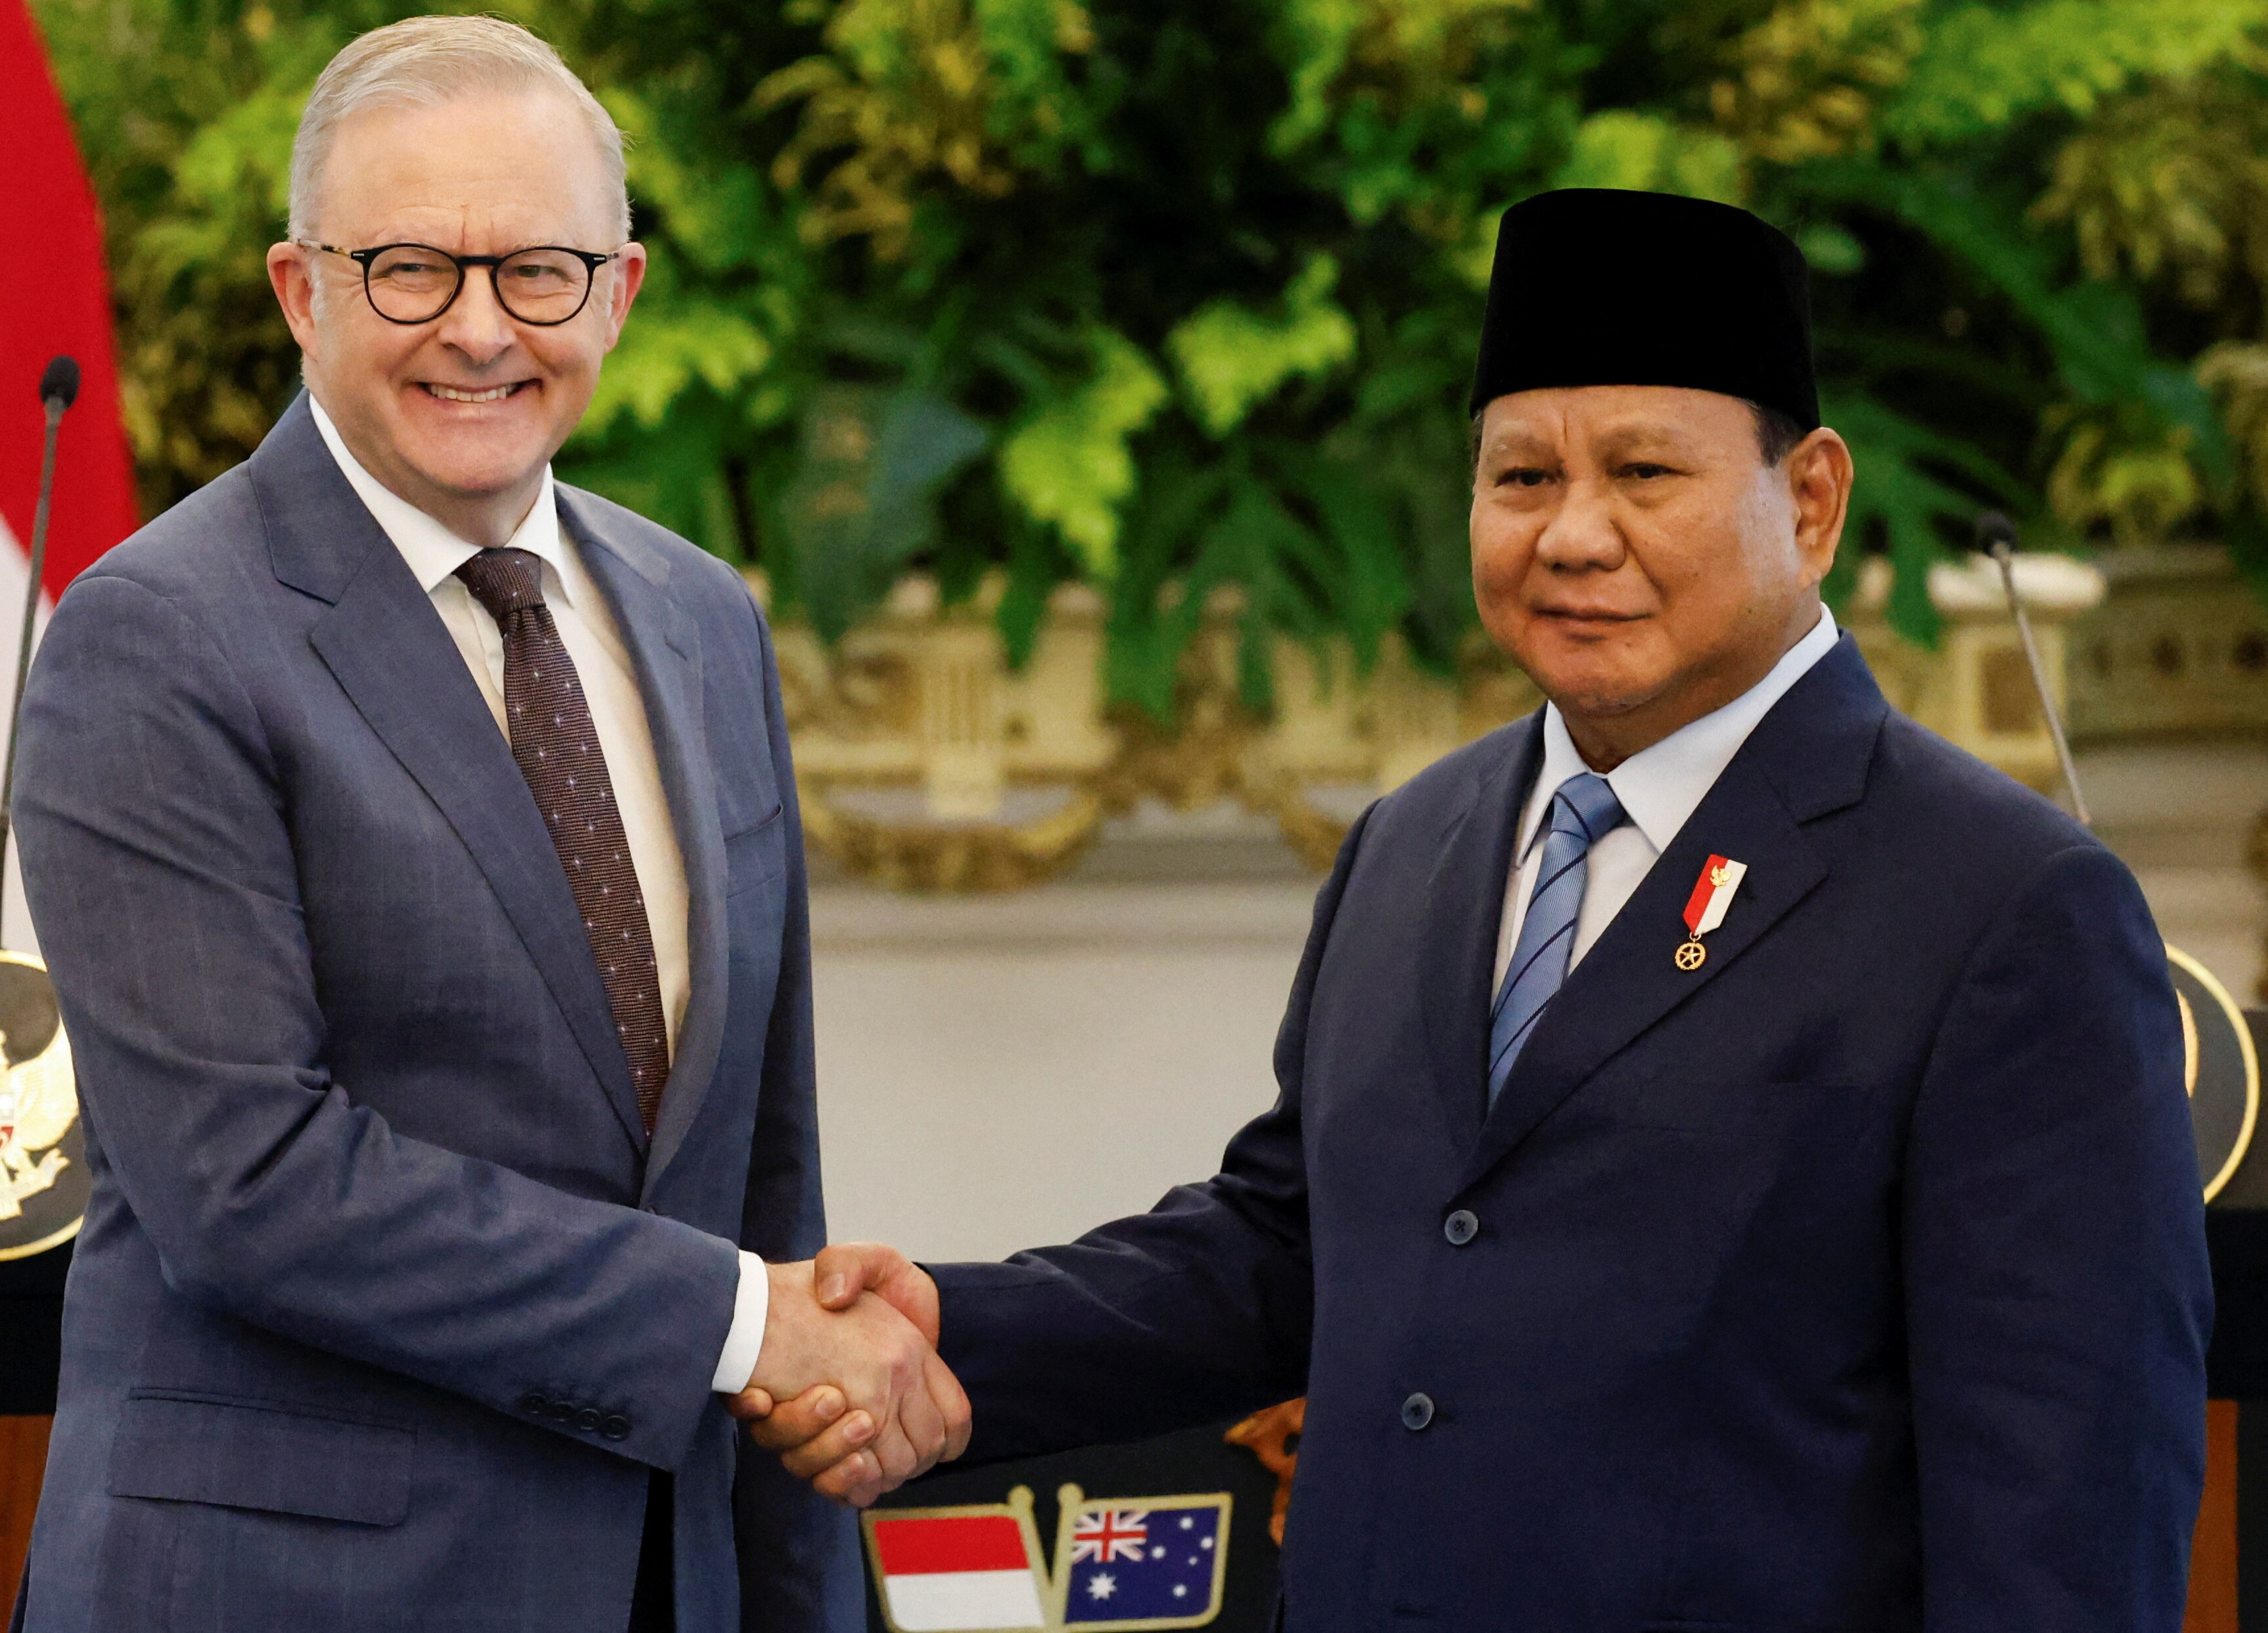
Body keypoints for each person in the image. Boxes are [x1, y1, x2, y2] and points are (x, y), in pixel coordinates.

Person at [741, 188, 2214, 1630]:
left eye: (1643, 475)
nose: (1570, 536)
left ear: (1810, 498)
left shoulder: (1999, 906)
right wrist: (946, 1327)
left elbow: (2066, 1498)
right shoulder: (1418, 840)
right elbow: (1288, 1252)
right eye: (1520, 479)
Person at [7, 18, 963, 1632]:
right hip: (290, 1591)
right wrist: (746, 1325)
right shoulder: (157, 634)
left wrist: (808, 1552)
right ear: (300, 291)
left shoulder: (698, 619)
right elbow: (248, 1182)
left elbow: (757, 1174)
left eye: (537, 270)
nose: (477, 329)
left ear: (619, 293)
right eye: (405, 270)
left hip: (670, 1578)